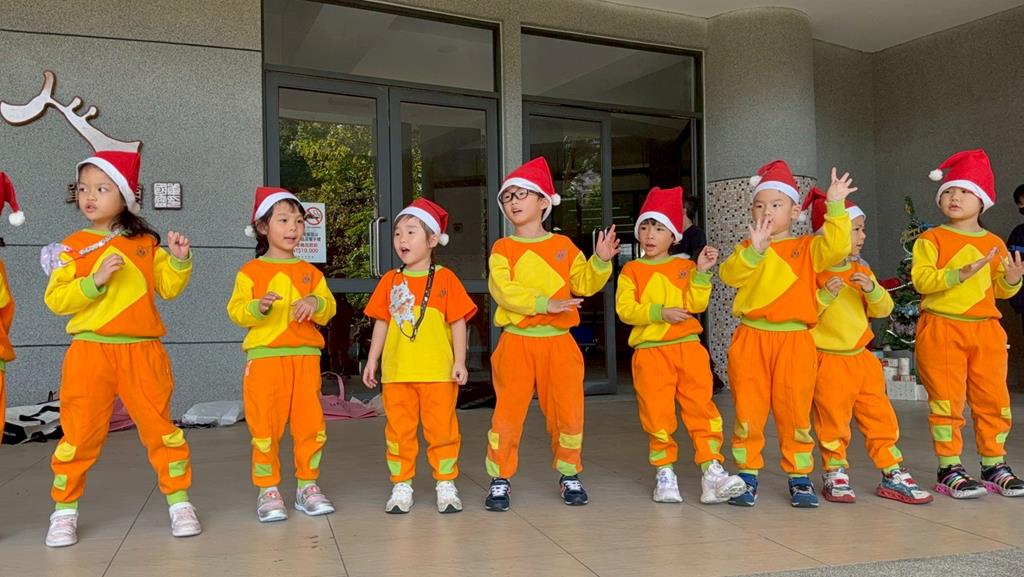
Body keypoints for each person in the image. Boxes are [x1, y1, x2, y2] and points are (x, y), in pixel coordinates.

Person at [44, 150, 201, 547]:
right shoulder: (72, 247)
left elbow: (168, 287)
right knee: (79, 434)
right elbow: (56, 300)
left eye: (102, 188)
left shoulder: (146, 244)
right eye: (83, 189)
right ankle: (64, 511)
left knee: (161, 430)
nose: (89, 196)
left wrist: (179, 260)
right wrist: (94, 280)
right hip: (89, 352)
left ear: (126, 195)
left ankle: (179, 502)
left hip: (143, 351)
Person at [483, 157, 619, 511]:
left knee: (567, 413)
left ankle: (569, 473)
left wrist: (601, 260)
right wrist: (546, 304)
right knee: (507, 414)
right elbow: (504, 291)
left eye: (521, 194)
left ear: (544, 201)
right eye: (507, 196)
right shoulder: (503, 249)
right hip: (516, 341)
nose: (513, 202)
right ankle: (500, 478)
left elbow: (584, 283)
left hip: (559, 343)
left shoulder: (564, 246)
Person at [719, 160, 855, 508]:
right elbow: (730, 276)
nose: (766, 211)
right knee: (748, 411)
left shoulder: (808, 248)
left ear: (795, 212)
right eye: (759, 205)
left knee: (795, 412)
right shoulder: (748, 247)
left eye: (776, 204)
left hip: (795, 341)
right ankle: (747, 474)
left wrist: (835, 205)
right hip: (751, 338)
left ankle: (799, 475)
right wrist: (754, 250)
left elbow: (838, 247)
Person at [802, 188, 932, 505]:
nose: (862, 236)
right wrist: (825, 296)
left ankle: (892, 470)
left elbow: (883, 309)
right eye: (855, 229)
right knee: (832, 420)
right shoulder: (812, 272)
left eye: (862, 229)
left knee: (879, 416)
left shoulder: (861, 269)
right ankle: (834, 471)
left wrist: (872, 289)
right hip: (828, 360)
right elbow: (803, 315)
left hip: (863, 358)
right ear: (830, 235)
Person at [616, 185, 745, 504]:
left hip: (688, 349)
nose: (650, 234)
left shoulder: (686, 268)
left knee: (701, 408)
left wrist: (702, 273)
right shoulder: (631, 270)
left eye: (659, 228)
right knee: (656, 413)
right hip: (650, 353)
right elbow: (625, 310)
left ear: (673, 235)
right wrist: (660, 313)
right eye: (645, 226)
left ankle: (711, 471)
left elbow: (697, 303)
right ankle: (665, 473)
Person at [912, 149, 1024, 498]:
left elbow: (1000, 290)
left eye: (964, 191)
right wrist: (959, 273)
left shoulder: (993, 243)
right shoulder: (931, 239)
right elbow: (922, 281)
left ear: (982, 200)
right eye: (948, 191)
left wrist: (1013, 280)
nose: (954, 197)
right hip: (942, 327)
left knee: (993, 400)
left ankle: (994, 464)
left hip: (986, 329)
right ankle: (950, 467)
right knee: (947, 402)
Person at [227, 186, 338, 522]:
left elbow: (329, 307)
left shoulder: (311, 273)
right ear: (263, 227)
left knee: (310, 424)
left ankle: (307, 485)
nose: (294, 228)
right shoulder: (250, 272)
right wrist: (257, 307)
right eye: (284, 220)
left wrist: (315, 302)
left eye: (299, 221)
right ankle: (268, 489)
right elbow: (235, 311)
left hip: (305, 358)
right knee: (265, 425)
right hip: (265, 359)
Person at [363, 198, 477, 514]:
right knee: (398, 432)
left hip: (437, 373)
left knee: (442, 430)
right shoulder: (390, 280)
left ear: (432, 240)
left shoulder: (446, 278)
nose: (402, 239)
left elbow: (458, 322)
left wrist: (459, 361)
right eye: (398, 233)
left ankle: (445, 482)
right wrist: (372, 359)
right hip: (398, 373)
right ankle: (402, 484)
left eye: (411, 232)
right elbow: (382, 322)